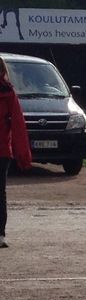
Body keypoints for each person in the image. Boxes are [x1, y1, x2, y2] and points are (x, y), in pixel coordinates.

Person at [0, 56, 31, 249]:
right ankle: (0, 234)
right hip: (3, 150)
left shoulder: (8, 93)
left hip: (3, 150)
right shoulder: (9, 92)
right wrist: (23, 156)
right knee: (0, 193)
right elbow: (19, 126)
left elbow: (18, 126)